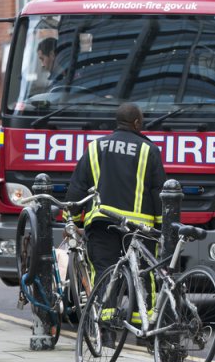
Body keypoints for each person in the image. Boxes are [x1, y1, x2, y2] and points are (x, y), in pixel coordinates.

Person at [65, 103, 166, 283]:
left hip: (101, 222)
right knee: (142, 274)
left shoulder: (95, 147)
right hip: (138, 227)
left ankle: (106, 311)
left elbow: (77, 187)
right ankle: (144, 312)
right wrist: (161, 228)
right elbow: (158, 192)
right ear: (136, 123)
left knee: (104, 272)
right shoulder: (148, 149)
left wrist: (72, 222)